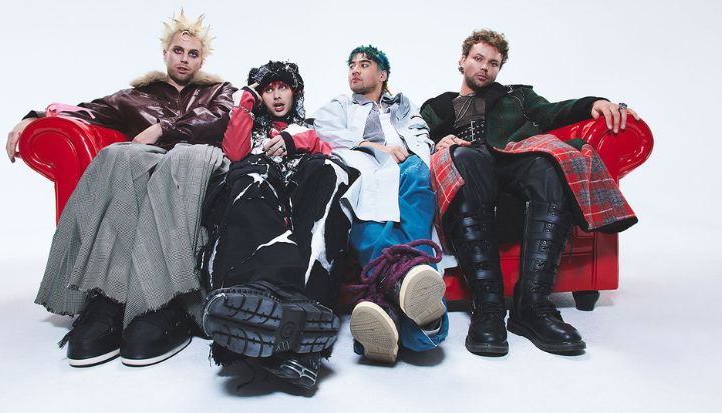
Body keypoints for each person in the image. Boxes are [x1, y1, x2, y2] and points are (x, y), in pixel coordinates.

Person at [5, 10, 235, 367]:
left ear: (201, 60)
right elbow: (84, 111)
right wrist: (33, 118)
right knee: (119, 155)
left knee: (181, 160)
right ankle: (108, 297)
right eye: (178, 51)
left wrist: (163, 129)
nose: (184, 59)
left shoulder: (218, 91)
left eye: (193, 54)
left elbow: (220, 118)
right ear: (165, 52)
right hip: (150, 164)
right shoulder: (133, 97)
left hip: (198, 162)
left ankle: (168, 301)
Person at [420, 29, 640, 356]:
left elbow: (555, 112)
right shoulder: (438, 106)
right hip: (469, 164)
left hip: (512, 158)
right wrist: (439, 142)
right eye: (478, 58)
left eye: (493, 63)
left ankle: (533, 306)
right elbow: (414, 137)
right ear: (462, 60)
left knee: (549, 163)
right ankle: (489, 307)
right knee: (463, 157)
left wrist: (595, 103)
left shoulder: (516, 97)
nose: (485, 67)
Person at [199, 61, 352, 389]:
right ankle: (261, 297)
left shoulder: (306, 129)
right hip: (260, 197)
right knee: (251, 172)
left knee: (331, 171)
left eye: (283, 87)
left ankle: (309, 310)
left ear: (295, 92)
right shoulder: (250, 125)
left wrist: (295, 141)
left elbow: (326, 153)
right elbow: (234, 153)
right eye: (268, 90)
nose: (277, 95)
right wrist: (247, 100)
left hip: (298, 199)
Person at [313, 45, 448, 364]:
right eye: (351, 65)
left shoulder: (403, 105)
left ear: (382, 74)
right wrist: (374, 147)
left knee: (417, 177)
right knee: (364, 205)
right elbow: (326, 132)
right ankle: (424, 327)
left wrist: (413, 151)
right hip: (364, 166)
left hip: (405, 167)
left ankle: (385, 301)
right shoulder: (340, 106)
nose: (354, 69)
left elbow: (420, 133)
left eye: (364, 64)